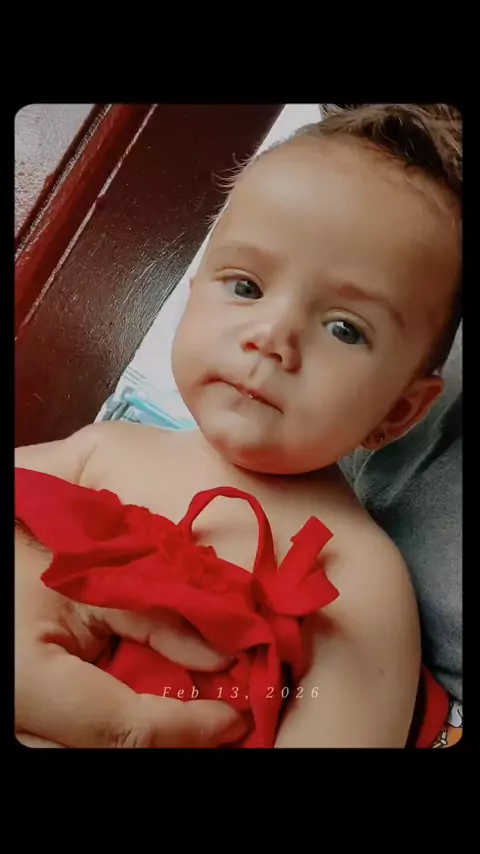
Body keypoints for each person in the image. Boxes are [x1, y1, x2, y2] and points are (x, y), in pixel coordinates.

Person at [15, 103, 462, 748]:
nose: (272, 336)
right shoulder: (100, 450)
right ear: (192, 292)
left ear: (398, 410)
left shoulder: (357, 582)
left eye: (345, 328)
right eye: (246, 287)